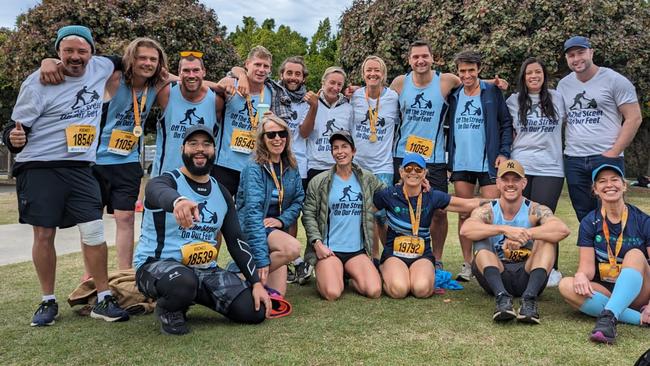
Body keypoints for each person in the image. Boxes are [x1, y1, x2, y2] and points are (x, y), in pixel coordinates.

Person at [2, 25, 130, 326]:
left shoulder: (100, 66)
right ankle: (47, 300)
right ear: (58, 52)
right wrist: (13, 140)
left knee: (94, 231)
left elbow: (131, 57)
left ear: (91, 52)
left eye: (81, 51)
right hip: (40, 166)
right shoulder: (38, 81)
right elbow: (15, 129)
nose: (75, 57)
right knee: (44, 234)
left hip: (80, 167)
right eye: (68, 51)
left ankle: (103, 298)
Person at [134, 124, 270, 335]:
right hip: (157, 266)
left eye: (206, 144)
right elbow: (155, 192)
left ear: (214, 151)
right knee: (182, 281)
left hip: (205, 269)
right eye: (193, 143)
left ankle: (189, 296)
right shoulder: (167, 181)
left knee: (254, 311)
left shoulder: (221, 192)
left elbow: (236, 241)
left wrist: (256, 283)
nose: (200, 149)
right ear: (182, 149)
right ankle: (169, 309)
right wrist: (177, 201)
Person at [460, 160, 569, 324]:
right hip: (497, 275)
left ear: (524, 183)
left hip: (527, 276)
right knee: (480, 238)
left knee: (547, 240)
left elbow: (562, 229)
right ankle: (502, 298)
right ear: (497, 183)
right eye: (505, 179)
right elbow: (466, 229)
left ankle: (529, 300)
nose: (510, 184)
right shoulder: (488, 209)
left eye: (515, 180)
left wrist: (525, 234)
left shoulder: (534, 209)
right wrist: (504, 230)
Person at [558, 164, 650, 344]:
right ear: (595, 190)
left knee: (635, 254)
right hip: (608, 289)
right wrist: (581, 276)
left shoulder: (643, 221)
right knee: (566, 285)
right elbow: (587, 269)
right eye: (602, 181)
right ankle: (634, 318)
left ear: (624, 185)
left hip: (641, 291)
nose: (609, 185)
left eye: (615, 180)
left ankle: (608, 316)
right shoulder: (589, 222)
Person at [374, 153, 484, 298]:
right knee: (399, 290)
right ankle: (387, 270)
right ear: (401, 172)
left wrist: (499, 202)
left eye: (418, 169)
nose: (413, 172)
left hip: (421, 255)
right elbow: (365, 212)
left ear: (424, 173)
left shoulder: (432, 196)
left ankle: (413, 275)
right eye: (408, 168)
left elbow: (466, 204)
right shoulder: (389, 194)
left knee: (421, 290)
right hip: (394, 255)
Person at [557, 36, 642, 222]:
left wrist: (614, 152)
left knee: (613, 213)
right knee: (585, 216)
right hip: (574, 159)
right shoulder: (563, 85)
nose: (576, 58)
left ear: (591, 52)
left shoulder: (614, 80)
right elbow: (560, 120)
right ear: (567, 59)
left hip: (605, 157)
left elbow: (634, 117)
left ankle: (614, 251)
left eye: (581, 53)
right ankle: (592, 251)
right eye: (571, 55)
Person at [447, 49, 513, 281]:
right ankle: (467, 264)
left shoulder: (492, 92)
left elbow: (506, 124)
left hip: (489, 162)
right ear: (458, 72)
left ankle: (495, 262)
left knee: (492, 214)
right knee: (465, 214)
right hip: (461, 163)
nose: (467, 75)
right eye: (462, 71)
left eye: (471, 70)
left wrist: (504, 153)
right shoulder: (454, 94)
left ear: (479, 70)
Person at [302, 130, 384, 301]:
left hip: (357, 251)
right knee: (332, 293)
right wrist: (317, 244)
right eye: (335, 148)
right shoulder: (319, 181)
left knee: (374, 290)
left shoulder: (367, 178)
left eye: (344, 147)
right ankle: (330, 273)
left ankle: (349, 275)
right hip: (330, 251)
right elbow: (308, 214)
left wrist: (417, 184)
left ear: (353, 151)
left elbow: (392, 194)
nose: (340, 152)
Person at [506, 57, 566, 286]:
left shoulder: (557, 98)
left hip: (550, 167)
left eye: (538, 72)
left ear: (544, 75)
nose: (533, 76)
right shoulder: (513, 101)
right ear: (523, 76)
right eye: (529, 73)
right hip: (521, 166)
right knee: (523, 218)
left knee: (546, 218)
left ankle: (551, 268)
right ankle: (523, 263)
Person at [236, 114, 304, 296]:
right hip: (254, 228)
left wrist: (281, 221)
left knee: (277, 295)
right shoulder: (254, 168)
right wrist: (261, 260)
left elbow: (298, 200)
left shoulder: (291, 165)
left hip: (275, 230)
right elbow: (252, 214)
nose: (277, 139)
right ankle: (241, 276)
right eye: (271, 135)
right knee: (293, 248)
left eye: (282, 134)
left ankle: (243, 275)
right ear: (262, 139)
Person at [214, 45, 292, 196]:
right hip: (224, 164)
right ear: (247, 64)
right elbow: (219, 86)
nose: (261, 69)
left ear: (270, 70)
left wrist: (274, 121)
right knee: (221, 212)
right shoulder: (232, 84)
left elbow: (283, 131)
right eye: (257, 64)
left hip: (255, 166)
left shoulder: (274, 93)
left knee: (249, 216)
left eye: (266, 66)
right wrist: (239, 76)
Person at [351, 55, 399, 261]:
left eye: (377, 70)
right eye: (369, 70)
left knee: (382, 215)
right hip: (358, 166)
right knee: (364, 215)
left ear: (384, 74)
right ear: (363, 74)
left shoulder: (393, 98)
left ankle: (390, 256)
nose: (373, 74)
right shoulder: (354, 96)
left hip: (383, 166)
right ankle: (372, 257)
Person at [150, 51, 219, 177]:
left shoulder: (216, 100)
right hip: (166, 176)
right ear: (179, 72)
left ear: (204, 71)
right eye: (186, 70)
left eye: (196, 70)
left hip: (201, 177)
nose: (191, 75)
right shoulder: (166, 93)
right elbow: (155, 74)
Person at [300, 67, 353, 182]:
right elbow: (304, 133)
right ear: (323, 82)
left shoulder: (348, 107)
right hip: (315, 166)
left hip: (339, 166)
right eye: (332, 83)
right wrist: (314, 106)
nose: (335, 88)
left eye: (339, 84)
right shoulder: (310, 102)